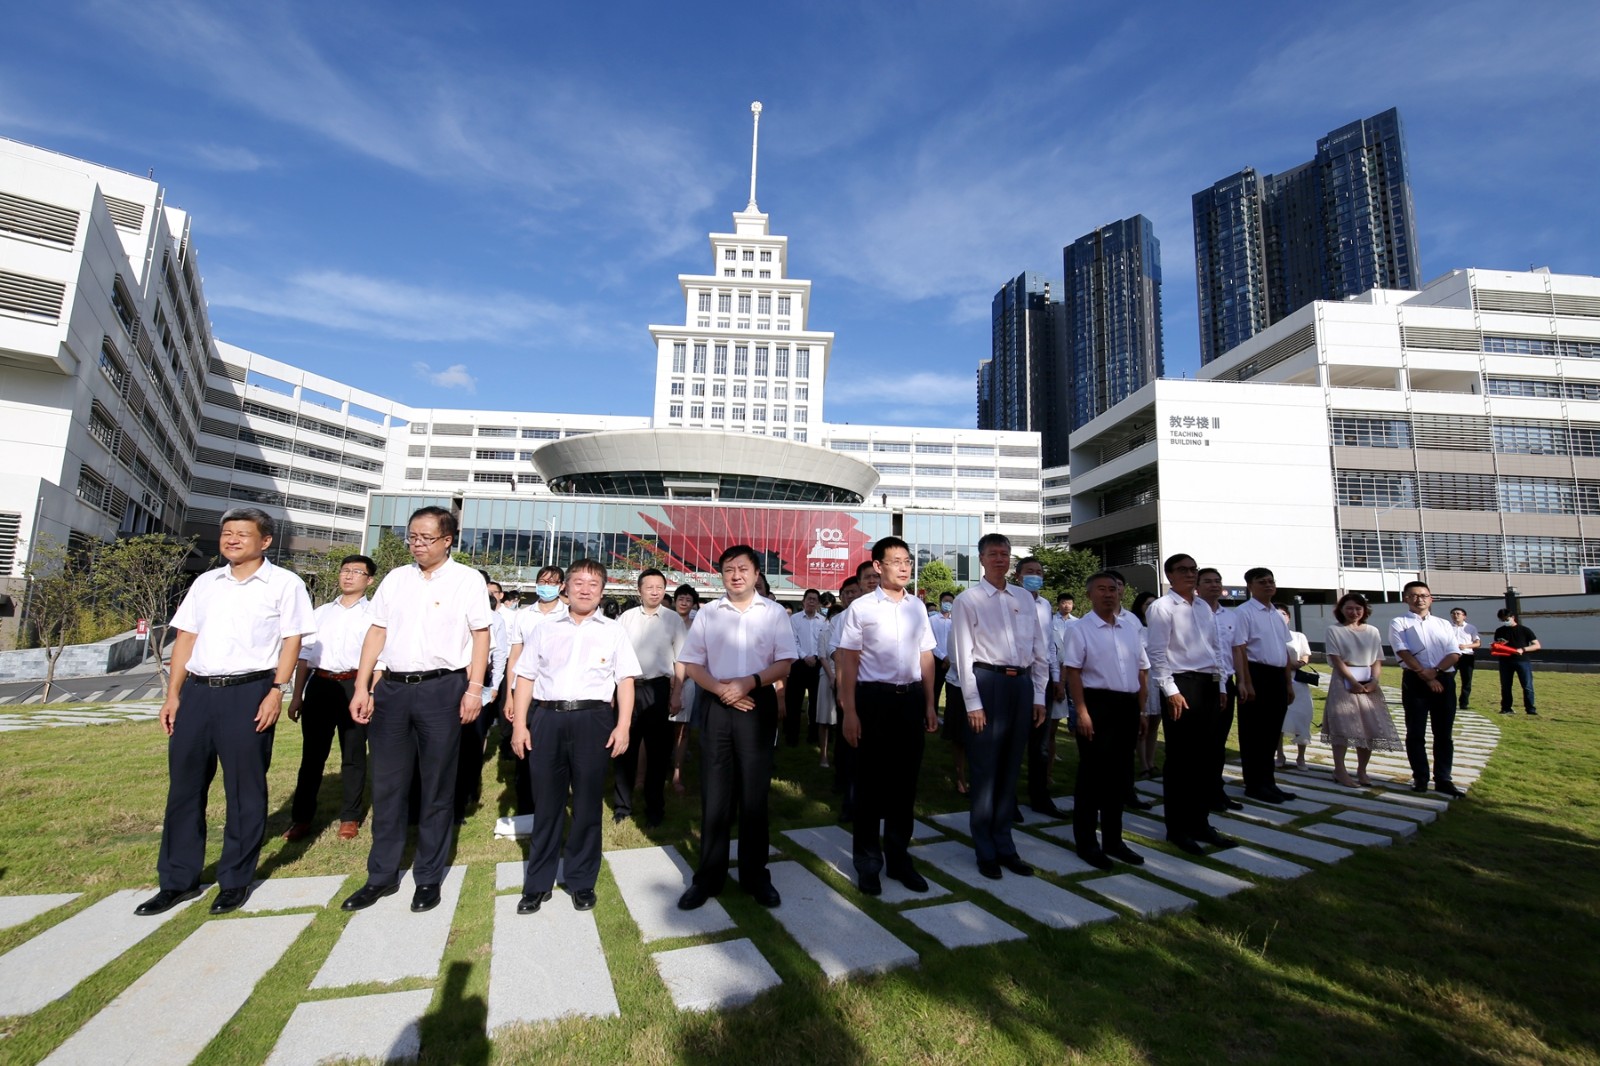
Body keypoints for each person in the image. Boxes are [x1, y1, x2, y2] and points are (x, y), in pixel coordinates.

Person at [135, 508, 315, 917]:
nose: (232, 540)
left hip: (249, 692)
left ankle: (235, 880)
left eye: (242, 534)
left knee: (244, 790)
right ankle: (177, 880)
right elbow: (185, 639)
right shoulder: (205, 583)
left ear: (265, 541)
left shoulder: (284, 584)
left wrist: (276, 691)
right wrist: (173, 694)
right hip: (197, 693)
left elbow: (292, 640)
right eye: (226, 533)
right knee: (184, 788)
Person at [343, 506, 491, 913]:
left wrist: (474, 689)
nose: (418, 545)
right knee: (388, 785)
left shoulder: (467, 580)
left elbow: (481, 636)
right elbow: (377, 631)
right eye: (412, 537)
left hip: (443, 689)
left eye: (426, 538)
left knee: (437, 787)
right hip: (392, 691)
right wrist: (362, 684)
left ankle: (428, 876)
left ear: (448, 540)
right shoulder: (395, 578)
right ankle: (381, 875)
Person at [510, 559, 637, 914]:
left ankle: (581, 880)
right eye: (578, 582)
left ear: (602, 590)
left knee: (586, 804)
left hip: (593, 720)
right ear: (566, 587)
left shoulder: (613, 631)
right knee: (547, 803)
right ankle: (537, 883)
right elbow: (526, 678)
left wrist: (622, 725)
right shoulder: (545, 628)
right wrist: (520, 725)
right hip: (547, 718)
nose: (585, 589)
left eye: (593, 584)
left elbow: (625, 681)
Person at [676, 545, 797, 911]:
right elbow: (693, 662)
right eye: (728, 569)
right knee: (715, 792)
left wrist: (748, 682)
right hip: (717, 703)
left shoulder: (774, 613)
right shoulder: (709, 613)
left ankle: (755, 875)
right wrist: (721, 690)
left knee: (754, 793)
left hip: (755, 702)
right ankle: (708, 876)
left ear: (757, 574)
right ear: (721, 574)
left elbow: (785, 663)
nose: (736, 575)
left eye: (743, 568)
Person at [835, 537, 938, 895]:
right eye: (896, 561)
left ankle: (898, 859)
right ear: (878, 566)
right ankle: (867, 862)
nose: (904, 567)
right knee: (869, 785)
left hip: (909, 700)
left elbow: (926, 656)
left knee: (904, 785)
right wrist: (849, 711)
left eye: (907, 560)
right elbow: (848, 662)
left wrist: (929, 704)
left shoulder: (918, 608)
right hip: (871, 700)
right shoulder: (861, 608)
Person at [948, 533, 1048, 879]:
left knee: (1009, 767)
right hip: (986, 682)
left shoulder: (1024, 597)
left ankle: (1005, 844)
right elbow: (962, 655)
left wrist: (1038, 695)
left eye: (1005, 554)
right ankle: (985, 848)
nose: (1000, 559)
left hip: (1020, 684)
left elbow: (1039, 649)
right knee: (985, 769)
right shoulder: (969, 600)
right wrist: (973, 704)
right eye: (993, 554)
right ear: (981, 559)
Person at [1144, 553, 1235, 856]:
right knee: (1181, 760)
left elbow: (1217, 648)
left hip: (1209, 684)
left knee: (1206, 757)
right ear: (1169, 575)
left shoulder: (1203, 608)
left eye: (1193, 569)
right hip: (1182, 685)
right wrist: (1170, 691)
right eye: (1182, 570)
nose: (1190, 574)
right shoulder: (1162, 607)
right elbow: (1157, 653)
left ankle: (1201, 822)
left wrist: (1221, 683)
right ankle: (1177, 828)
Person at [285, 554, 378, 843]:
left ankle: (349, 817)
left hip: (355, 685)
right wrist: (297, 695)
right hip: (320, 685)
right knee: (312, 756)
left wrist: (370, 693)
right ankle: (301, 818)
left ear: (369, 580)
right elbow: (304, 657)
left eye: (356, 572)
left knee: (353, 755)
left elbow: (379, 661)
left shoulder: (374, 615)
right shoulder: (321, 612)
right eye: (345, 570)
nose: (348, 576)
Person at [1062, 572, 1149, 870]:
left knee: (1120, 777)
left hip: (1127, 705)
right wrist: (1082, 712)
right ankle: (1086, 842)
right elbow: (1073, 672)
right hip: (1096, 704)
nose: (1109, 594)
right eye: (1101, 589)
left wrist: (1140, 711)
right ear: (1089, 595)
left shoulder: (1130, 627)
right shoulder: (1081, 629)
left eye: (1113, 589)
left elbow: (1141, 669)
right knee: (1092, 777)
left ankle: (1114, 840)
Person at [616, 568, 687, 827]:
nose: (655, 591)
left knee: (658, 753)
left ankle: (655, 808)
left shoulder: (673, 620)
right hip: (628, 687)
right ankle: (622, 807)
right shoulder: (625, 619)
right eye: (650, 587)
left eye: (660, 587)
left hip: (658, 689)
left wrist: (677, 692)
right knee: (625, 749)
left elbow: (682, 660)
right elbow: (616, 657)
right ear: (640, 590)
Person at [503, 565, 568, 815]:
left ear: (562, 586)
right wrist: (510, 693)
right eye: (543, 581)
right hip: (526, 692)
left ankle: (554, 806)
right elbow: (515, 656)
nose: (547, 586)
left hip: (555, 692)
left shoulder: (567, 614)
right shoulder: (524, 615)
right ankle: (526, 808)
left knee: (555, 753)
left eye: (553, 582)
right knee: (524, 749)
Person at [1389, 581, 1463, 797]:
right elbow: (1402, 651)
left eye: (1424, 595)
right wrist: (1426, 676)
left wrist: (1436, 672)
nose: (1419, 599)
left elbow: (1454, 653)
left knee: (1444, 733)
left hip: (1444, 679)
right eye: (1414, 595)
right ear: (1406, 598)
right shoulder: (1399, 622)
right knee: (1415, 731)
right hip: (1415, 681)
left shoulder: (1443, 624)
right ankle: (1420, 777)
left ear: (1431, 598)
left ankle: (1443, 778)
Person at [1231, 568, 1297, 805]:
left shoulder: (1277, 615)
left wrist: (1288, 683)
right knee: (1254, 733)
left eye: (1271, 581)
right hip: (1256, 674)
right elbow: (1240, 649)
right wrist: (1245, 682)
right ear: (1250, 586)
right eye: (1262, 581)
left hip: (1277, 675)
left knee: (1271, 732)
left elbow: (1285, 651)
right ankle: (1254, 784)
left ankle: (1269, 782)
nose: (1268, 585)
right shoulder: (1244, 613)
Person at [1321, 592, 1400, 787]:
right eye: (1349, 608)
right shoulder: (1334, 630)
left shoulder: (1372, 630)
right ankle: (1340, 770)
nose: (1354, 612)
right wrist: (1351, 681)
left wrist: (1375, 681)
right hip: (1343, 681)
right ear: (1341, 610)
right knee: (1343, 726)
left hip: (1368, 681)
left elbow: (1378, 659)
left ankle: (1362, 771)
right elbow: (1336, 658)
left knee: (1369, 727)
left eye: (1358, 608)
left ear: (1364, 610)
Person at [455, 574, 508, 824]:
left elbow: (498, 655)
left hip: (479, 684)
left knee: (472, 742)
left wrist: (494, 686)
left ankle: (467, 792)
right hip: (449, 683)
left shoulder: (493, 618)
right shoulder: (453, 609)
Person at [1014, 557, 1064, 818]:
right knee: (1011, 742)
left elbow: (1049, 646)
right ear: (1018, 576)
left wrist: (1055, 678)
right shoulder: (1010, 600)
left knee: (1040, 745)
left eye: (1039, 572)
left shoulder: (1045, 605)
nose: (1035, 575)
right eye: (1030, 572)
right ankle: (1008, 800)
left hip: (1041, 680)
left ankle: (1040, 797)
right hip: (1016, 677)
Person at [816, 578, 858, 772]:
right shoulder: (839, 620)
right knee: (841, 723)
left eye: (854, 591)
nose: (851, 595)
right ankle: (842, 771)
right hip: (839, 677)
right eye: (846, 592)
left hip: (867, 682)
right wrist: (837, 678)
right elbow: (832, 650)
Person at [668, 584, 700, 793]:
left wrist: (682, 678)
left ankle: (677, 774)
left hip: (688, 682)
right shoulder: (665, 622)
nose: (684, 603)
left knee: (682, 730)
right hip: (664, 681)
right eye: (681, 598)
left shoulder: (697, 627)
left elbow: (697, 656)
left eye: (688, 599)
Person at [786, 589, 828, 747]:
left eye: (815, 599)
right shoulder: (794, 620)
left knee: (816, 703)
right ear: (803, 601)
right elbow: (792, 640)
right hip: (798, 664)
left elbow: (824, 641)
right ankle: (792, 737)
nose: (811, 602)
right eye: (809, 599)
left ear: (818, 603)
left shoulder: (823, 621)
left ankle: (813, 736)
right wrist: (805, 656)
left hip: (817, 665)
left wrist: (815, 656)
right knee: (794, 704)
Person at [1129, 591, 1163, 779]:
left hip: (1161, 678)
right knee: (1143, 722)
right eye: (1147, 604)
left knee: (1155, 724)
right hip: (1144, 677)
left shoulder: (1161, 627)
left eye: (1154, 604)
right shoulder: (1137, 628)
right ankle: (1143, 764)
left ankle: (1151, 761)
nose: (1151, 608)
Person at [1278, 605, 1314, 772]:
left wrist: (1300, 662)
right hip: (1278, 680)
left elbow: (1306, 654)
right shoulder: (1271, 636)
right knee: (1279, 720)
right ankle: (1280, 754)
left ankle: (1301, 756)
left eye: (1284, 613)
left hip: (1298, 681)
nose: (1281, 616)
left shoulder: (1298, 636)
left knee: (1301, 717)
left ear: (1289, 617)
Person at [1493, 609, 1540, 715]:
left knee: (1527, 685)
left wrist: (1523, 649)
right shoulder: (1500, 631)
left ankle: (1530, 709)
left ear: (1513, 617)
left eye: (1507, 619)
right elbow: (1498, 644)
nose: (1505, 621)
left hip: (1522, 661)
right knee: (1506, 686)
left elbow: (1537, 645)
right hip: (1505, 661)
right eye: (1502, 620)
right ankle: (1506, 708)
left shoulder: (1524, 630)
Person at [1450, 608, 1481, 710]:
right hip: (1452, 655)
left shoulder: (1470, 628)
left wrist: (1466, 646)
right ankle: (1450, 701)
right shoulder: (1448, 627)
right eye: (1453, 614)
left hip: (1467, 655)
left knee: (1466, 680)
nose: (1456, 615)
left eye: (1458, 613)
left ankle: (1464, 703)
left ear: (1464, 616)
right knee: (1449, 679)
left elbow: (1477, 643)